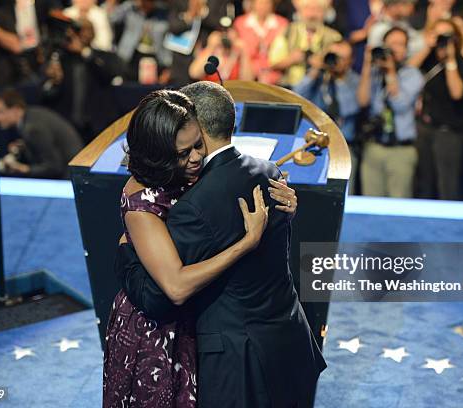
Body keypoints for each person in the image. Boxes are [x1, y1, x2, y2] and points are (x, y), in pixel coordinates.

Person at [114, 81, 326, 407]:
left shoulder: (195, 204)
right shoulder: (267, 172)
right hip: (286, 339)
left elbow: (161, 297)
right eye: (186, 151)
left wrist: (125, 252)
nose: (195, 156)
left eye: (196, 146)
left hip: (240, 356)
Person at [409, 18, 463, 200]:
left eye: (447, 35)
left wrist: (450, 59)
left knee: (447, 186)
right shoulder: (427, 58)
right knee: (424, 184)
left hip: (449, 132)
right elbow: (407, 73)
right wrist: (428, 47)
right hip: (425, 128)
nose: (443, 39)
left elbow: (457, 93)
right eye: (439, 35)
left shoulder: (460, 62)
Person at [358, 26, 424, 198]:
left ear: (406, 50)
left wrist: (390, 72)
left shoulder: (413, 75)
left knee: (398, 204)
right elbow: (363, 100)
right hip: (375, 147)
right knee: (371, 205)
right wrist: (367, 64)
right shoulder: (374, 74)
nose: (394, 48)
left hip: (400, 151)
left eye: (400, 44)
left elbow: (400, 104)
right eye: (391, 44)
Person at [41, 18, 125, 142]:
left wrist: (84, 52)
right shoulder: (61, 59)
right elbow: (45, 94)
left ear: (93, 33)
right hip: (67, 125)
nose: (83, 35)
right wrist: (54, 81)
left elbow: (108, 75)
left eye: (86, 30)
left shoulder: (103, 56)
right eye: (78, 31)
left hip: (97, 125)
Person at [292, 40, 360, 184]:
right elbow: (296, 96)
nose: (336, 61)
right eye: (333, 56)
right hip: (315, 147)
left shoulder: (354, 80)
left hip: (344, 148)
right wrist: (315, 70)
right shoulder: (319, 79)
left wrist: (340, 80)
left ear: (350, 61)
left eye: (342, 58)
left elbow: (349, 108)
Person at [0, 89, 84, 179]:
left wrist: (25, 169)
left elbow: (54, 167)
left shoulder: (33, 129)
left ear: (16, 109)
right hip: (74, 172)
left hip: (69, 179)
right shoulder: (32, 115)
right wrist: (24, 146)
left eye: (0, 112)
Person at [268, 0, 342, 87]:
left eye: (317, 10)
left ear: (324, 13)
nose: (312, 15)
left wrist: (322, 65)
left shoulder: (334, 37)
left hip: (322, 89)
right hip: (290, 88)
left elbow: (341, 69)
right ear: (300, 12)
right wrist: (291, 59)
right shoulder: (288, 32)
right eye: (308, 9)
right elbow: (273, 63)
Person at [108, 0, 172, 84]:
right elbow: (111, 18)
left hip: (156, 58)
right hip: (130, 57)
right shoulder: (129, 8)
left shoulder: (163, 13)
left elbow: (169, 41)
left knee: (151, 92)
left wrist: (168, 67)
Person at [233, 0, 288, 84]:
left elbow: (282, 54)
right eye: (259, 3)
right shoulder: (240, 23)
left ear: (272, 5)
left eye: (267, 3)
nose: (263, 6)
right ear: (253, 4)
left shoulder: (282, 24)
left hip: (276, 76)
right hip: (247, 74)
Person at [188, 28, 255, 82]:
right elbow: (194, 73)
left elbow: (248, 81)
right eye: (223, 34)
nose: (226, 37)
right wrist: (210, 47)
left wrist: (244, 53)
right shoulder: (212, 53)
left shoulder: (238, 55)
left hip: (232, 95)